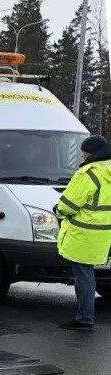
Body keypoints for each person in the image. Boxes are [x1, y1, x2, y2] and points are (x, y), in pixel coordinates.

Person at [54, 134, 111, 331]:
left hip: (83, 232)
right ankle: (84, 315)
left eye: (83, 154)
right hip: (103, 232)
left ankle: (84, 318)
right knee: (87, 274)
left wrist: (58, 209)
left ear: (91, 153)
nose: (82, 157)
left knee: (83, 276)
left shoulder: (89, 174)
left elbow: (69, 205)